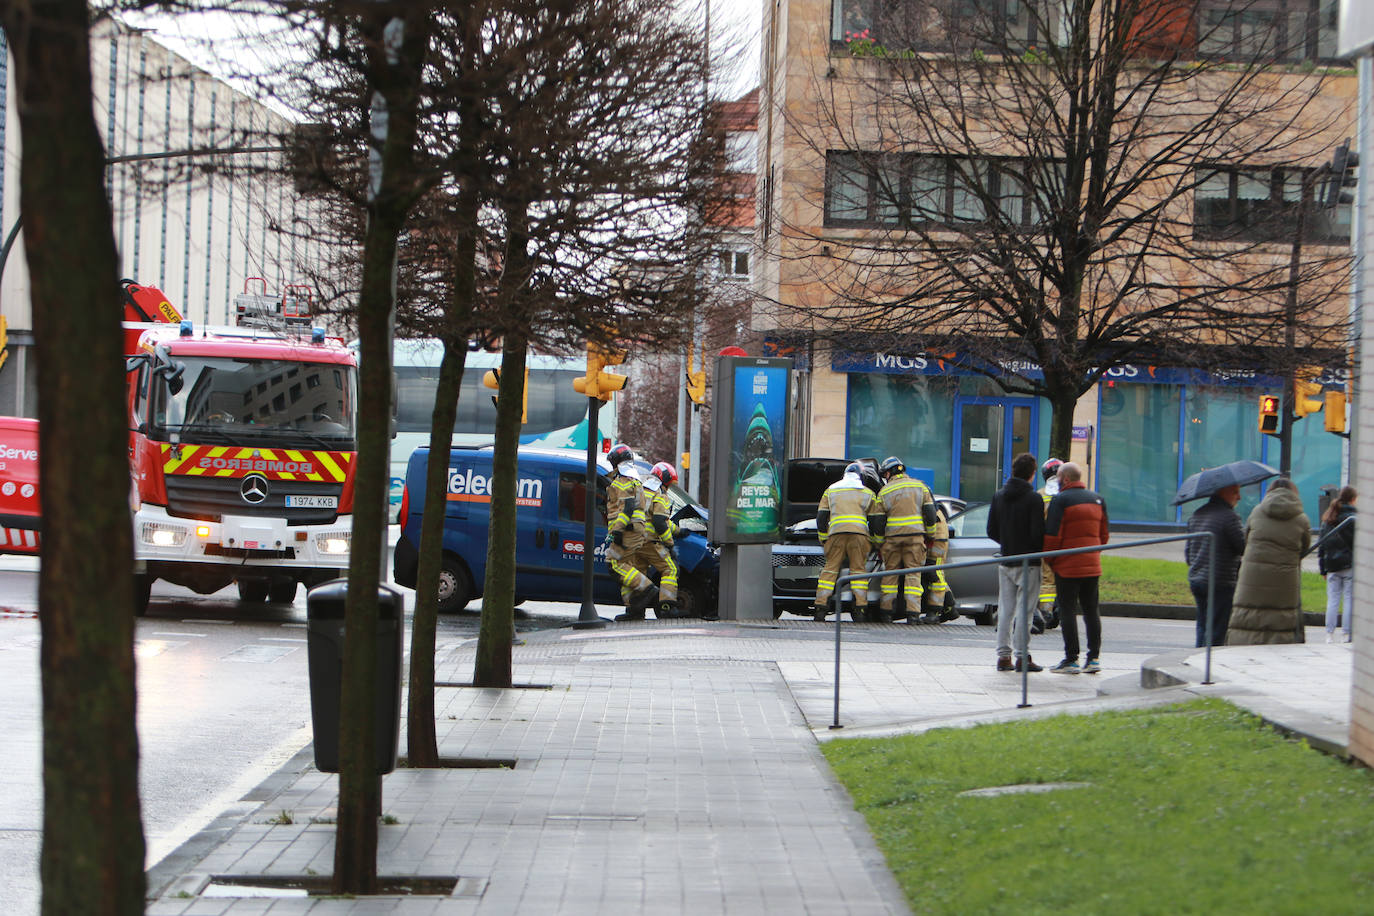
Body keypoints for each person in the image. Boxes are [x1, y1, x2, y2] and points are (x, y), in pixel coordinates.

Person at [1228, 477, 1311, 646]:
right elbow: (1305, 547)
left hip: (1253, 575)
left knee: (1249, 612)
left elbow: (1247, 538)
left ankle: (1241, 649)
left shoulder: (1257, 512)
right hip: (1284, 577)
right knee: (1281, 617)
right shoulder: (1301, 518)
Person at [1042, 462, 1109, 674]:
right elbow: (1104, 535)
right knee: (1091, 611)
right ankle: (1094, 659)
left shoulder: (1060, 500)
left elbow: (1052, 537)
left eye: (1059, 478)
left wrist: (1052, 562)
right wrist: (1093, 555)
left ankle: (1071, 659)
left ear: (1066, 479)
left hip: (1067, 567)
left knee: (1068, 611)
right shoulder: (1098, 499)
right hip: (1092, 566)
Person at [987, 452, 1045, 672]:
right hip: (1029, 562)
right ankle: (1022, 657)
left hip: (1006, 559)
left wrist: (1008, 543)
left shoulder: (999, 496)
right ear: (1031, 474)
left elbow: (991, 530)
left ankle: (1003, 657)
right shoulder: (1033, 499)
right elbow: (1038, 533)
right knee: (1025, 611)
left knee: (1005, 609)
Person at [872, 456, 938, 623]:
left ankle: (886, 613)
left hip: (892, 540)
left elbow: (878, 522)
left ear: (889, 473)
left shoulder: (884, 492)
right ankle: (913, 614)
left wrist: (879, 543)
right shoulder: (920, 487)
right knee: (913, 576)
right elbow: (930, 514)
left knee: (890, 576)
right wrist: (930, 535)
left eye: (885, 474)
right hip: (915, 539)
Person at [814, 462, 880, 622]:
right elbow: (876, 521)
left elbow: (821, 518)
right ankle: (859, 610)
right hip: (859, 536)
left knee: (830, 570)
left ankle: (820, 608)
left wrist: (823, 537)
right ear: (860, 476)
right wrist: (876, 541)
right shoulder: (868, 493)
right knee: (858, 571)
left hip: (836, 534)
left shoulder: (831, 490)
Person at [1185, 482, 1247, 647]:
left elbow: (1188, 552)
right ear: (1222, 492)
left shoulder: (1197, 514)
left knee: (1202, 625)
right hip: (1220, 580)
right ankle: (1210, 664)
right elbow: (1242, 547)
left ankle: (1198, 659)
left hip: (1197, 579)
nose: (1239, 497)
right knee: (1217, 629)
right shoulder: (1230, 517)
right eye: (1235, 492)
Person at [604, 443, 657, 621]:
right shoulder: (635, 479)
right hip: (634, 529)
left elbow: (626, 509)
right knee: (627, 569)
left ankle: (647, 589)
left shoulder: (624, 481)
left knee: (614, 564)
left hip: (628, 529)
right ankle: (634, 610)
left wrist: (617, 531)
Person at [639, 462, 681, 618]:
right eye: (669, 484)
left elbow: (662, 520)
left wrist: (678, 530)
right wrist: (670, 543)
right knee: (670, 569)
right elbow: (659, 522)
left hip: (634, 542)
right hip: (650, 543)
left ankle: (635, 611)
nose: (668, 488)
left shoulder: (642, 490)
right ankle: (666, 607)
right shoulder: (660, 495)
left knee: (639, 575)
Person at [1317, 486, 1356, 644]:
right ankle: (1346, 634)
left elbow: (1321, 545)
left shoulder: (1328, 518)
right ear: (1353, 499)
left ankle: (1329, 634)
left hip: (1332, 565)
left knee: (1332, 599)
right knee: (1348, 599)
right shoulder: (1354, 518)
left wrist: (1322, 569)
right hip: (1349, 564)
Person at [1035, 458, 1064, 632]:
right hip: (1065, 544)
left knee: (1046, 579)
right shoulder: (1067, 493)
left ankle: (1046, 611)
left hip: (1046, 544)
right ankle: (1061, 609)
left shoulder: (1040, 494)